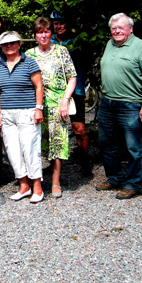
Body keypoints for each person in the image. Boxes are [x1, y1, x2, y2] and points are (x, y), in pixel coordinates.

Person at [95, 13, 142, 199]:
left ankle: (133, 183)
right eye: (113, 28)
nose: (117, 31)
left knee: (133, 147)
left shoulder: (140, 47)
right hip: (107, 103)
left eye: (121, 27)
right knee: (107, 143)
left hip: (130, 104)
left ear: (130, 28)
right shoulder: (110, 44)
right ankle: (114, 177)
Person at [26, 17, 76, 198]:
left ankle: (56, 181)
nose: (44, 35)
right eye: (40, 32)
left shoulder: (61, 51)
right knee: (36, 144)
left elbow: (72, 78)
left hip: (57, 104)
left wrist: (65, 100)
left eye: (46, 31)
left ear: (51, 33)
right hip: (36, 105)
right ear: (35, 35)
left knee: (58, 142)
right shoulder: (29, 54)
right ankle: (36, 180)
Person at [0, 31, 45, 203]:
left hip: (27, 111)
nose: (9, 46)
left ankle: (37, 187)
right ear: (1, 46)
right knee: (13, 151)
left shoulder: (29, 62)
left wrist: (39, 109)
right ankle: (24, 185)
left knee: (30, 148)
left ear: (19, 44)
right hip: (7, 114)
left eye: (13, 43)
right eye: (6, 44)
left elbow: (39, 86)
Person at [49, 11, 91, 176]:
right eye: (55, 23)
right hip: (53, 90)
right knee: (52, 129)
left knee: (78, 128)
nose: (58, 26)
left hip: (76, 89)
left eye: (62, 23)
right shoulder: (49, 41)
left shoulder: (77, 42)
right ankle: (53, 165)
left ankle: (85, 162)